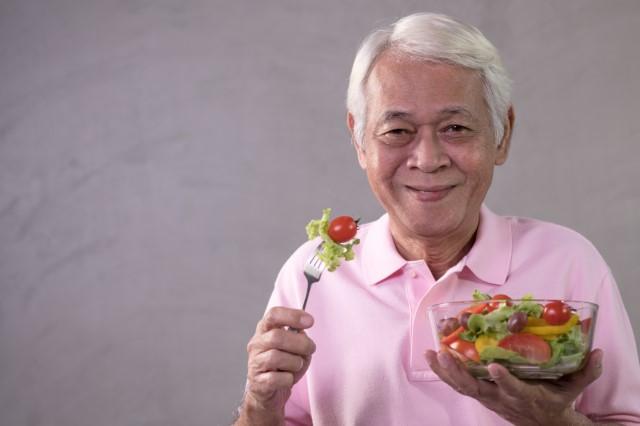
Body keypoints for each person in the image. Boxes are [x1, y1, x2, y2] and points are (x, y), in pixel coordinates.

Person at [234, 12, 640, 425]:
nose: (427, 160)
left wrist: (555, 422)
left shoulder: (569, 262)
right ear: (359, 140)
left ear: (503, 134)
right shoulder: (312, 274)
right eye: (397, 131)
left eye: (456, 127)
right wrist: (259, 408)